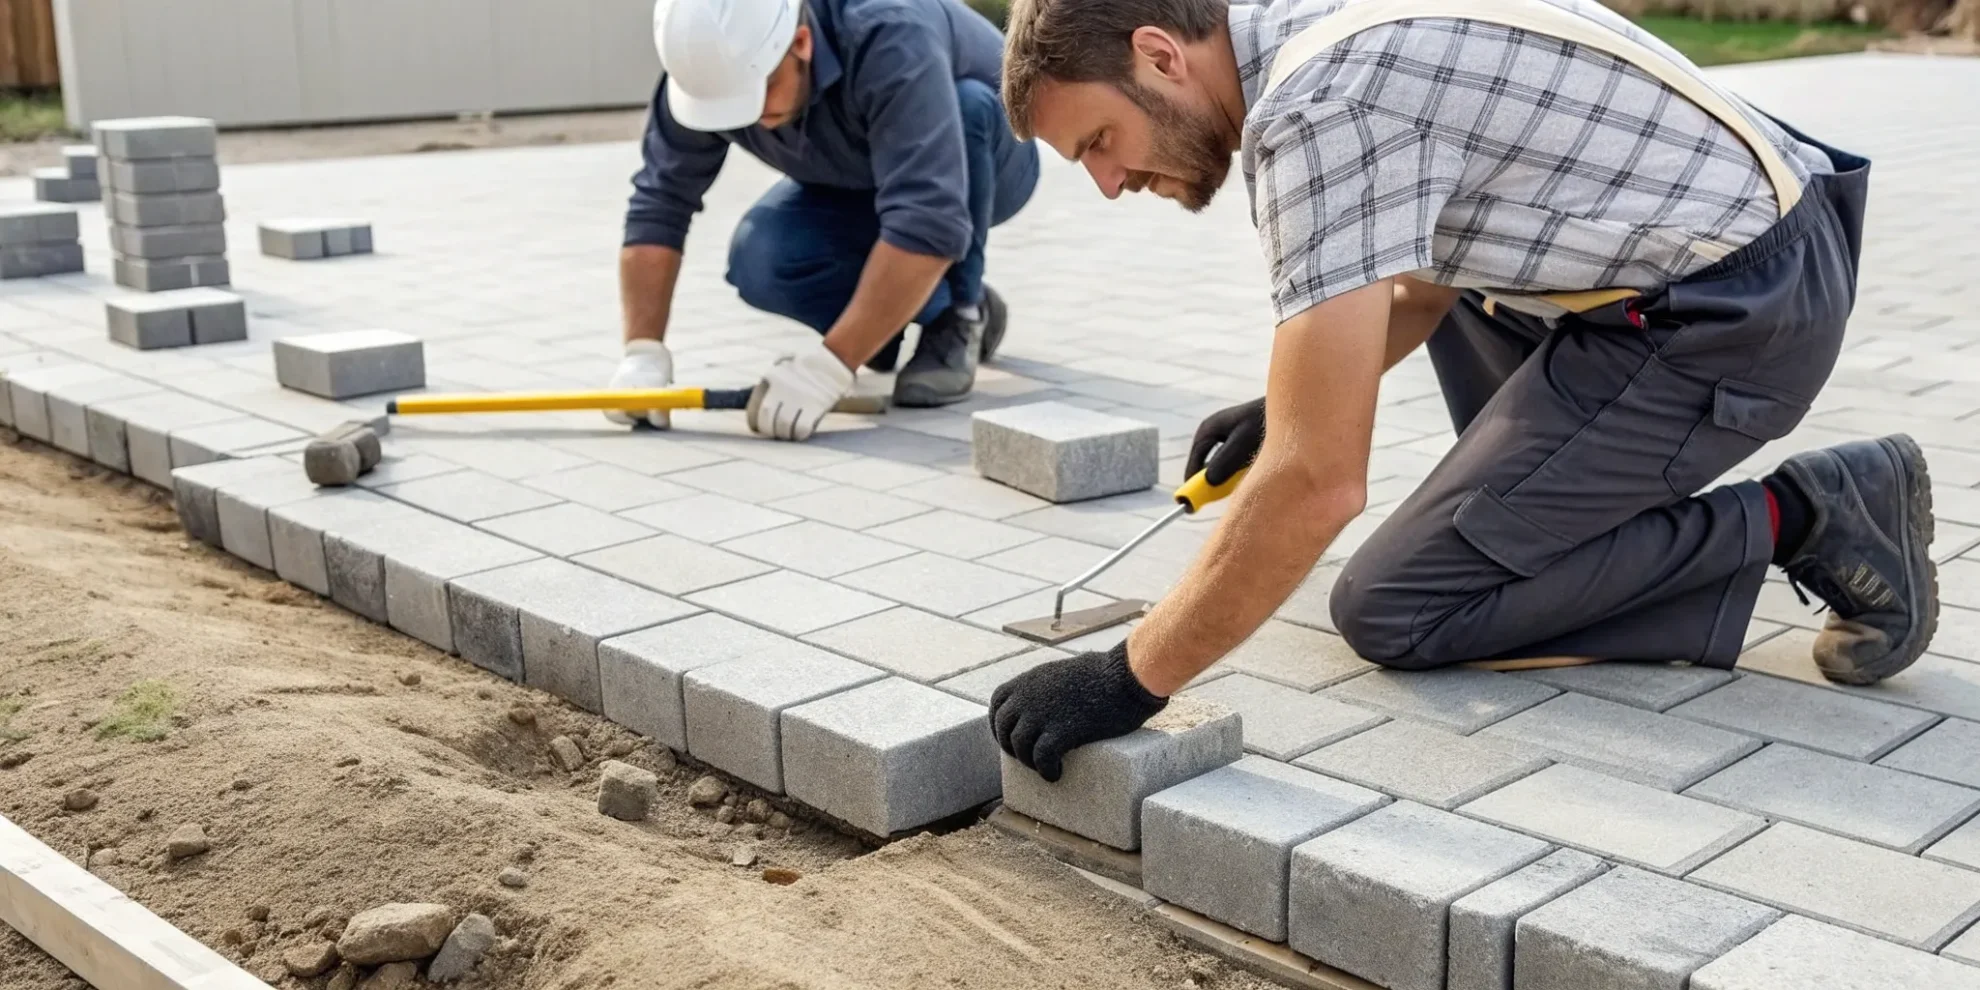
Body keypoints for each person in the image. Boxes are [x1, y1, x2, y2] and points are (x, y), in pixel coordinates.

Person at [984, 0, 1936, 781]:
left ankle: (1808, 515)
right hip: (1722, 258)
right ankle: (1552, 525)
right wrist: (1284, 410)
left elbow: (1318, 486)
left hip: (1738, 314)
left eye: (1100, 140)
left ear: (1159, 56)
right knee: (1471, 476)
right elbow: (1421, 284)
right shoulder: (1322, 24)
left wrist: (1128, 676)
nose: (1109, 183)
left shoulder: (1319, 107)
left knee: (1399, 608)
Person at [610, 0, 1041, 440]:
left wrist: (830, 365)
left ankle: (959, 313)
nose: (749, 120)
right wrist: (642, 353)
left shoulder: (888, 32)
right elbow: (658, 205)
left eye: (759, 95)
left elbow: (927, 220)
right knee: (762, 255)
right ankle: (903, 313)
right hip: (864, 169)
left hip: (991, 155)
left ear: (801, 43)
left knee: (968, 107)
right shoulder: (708, 69)